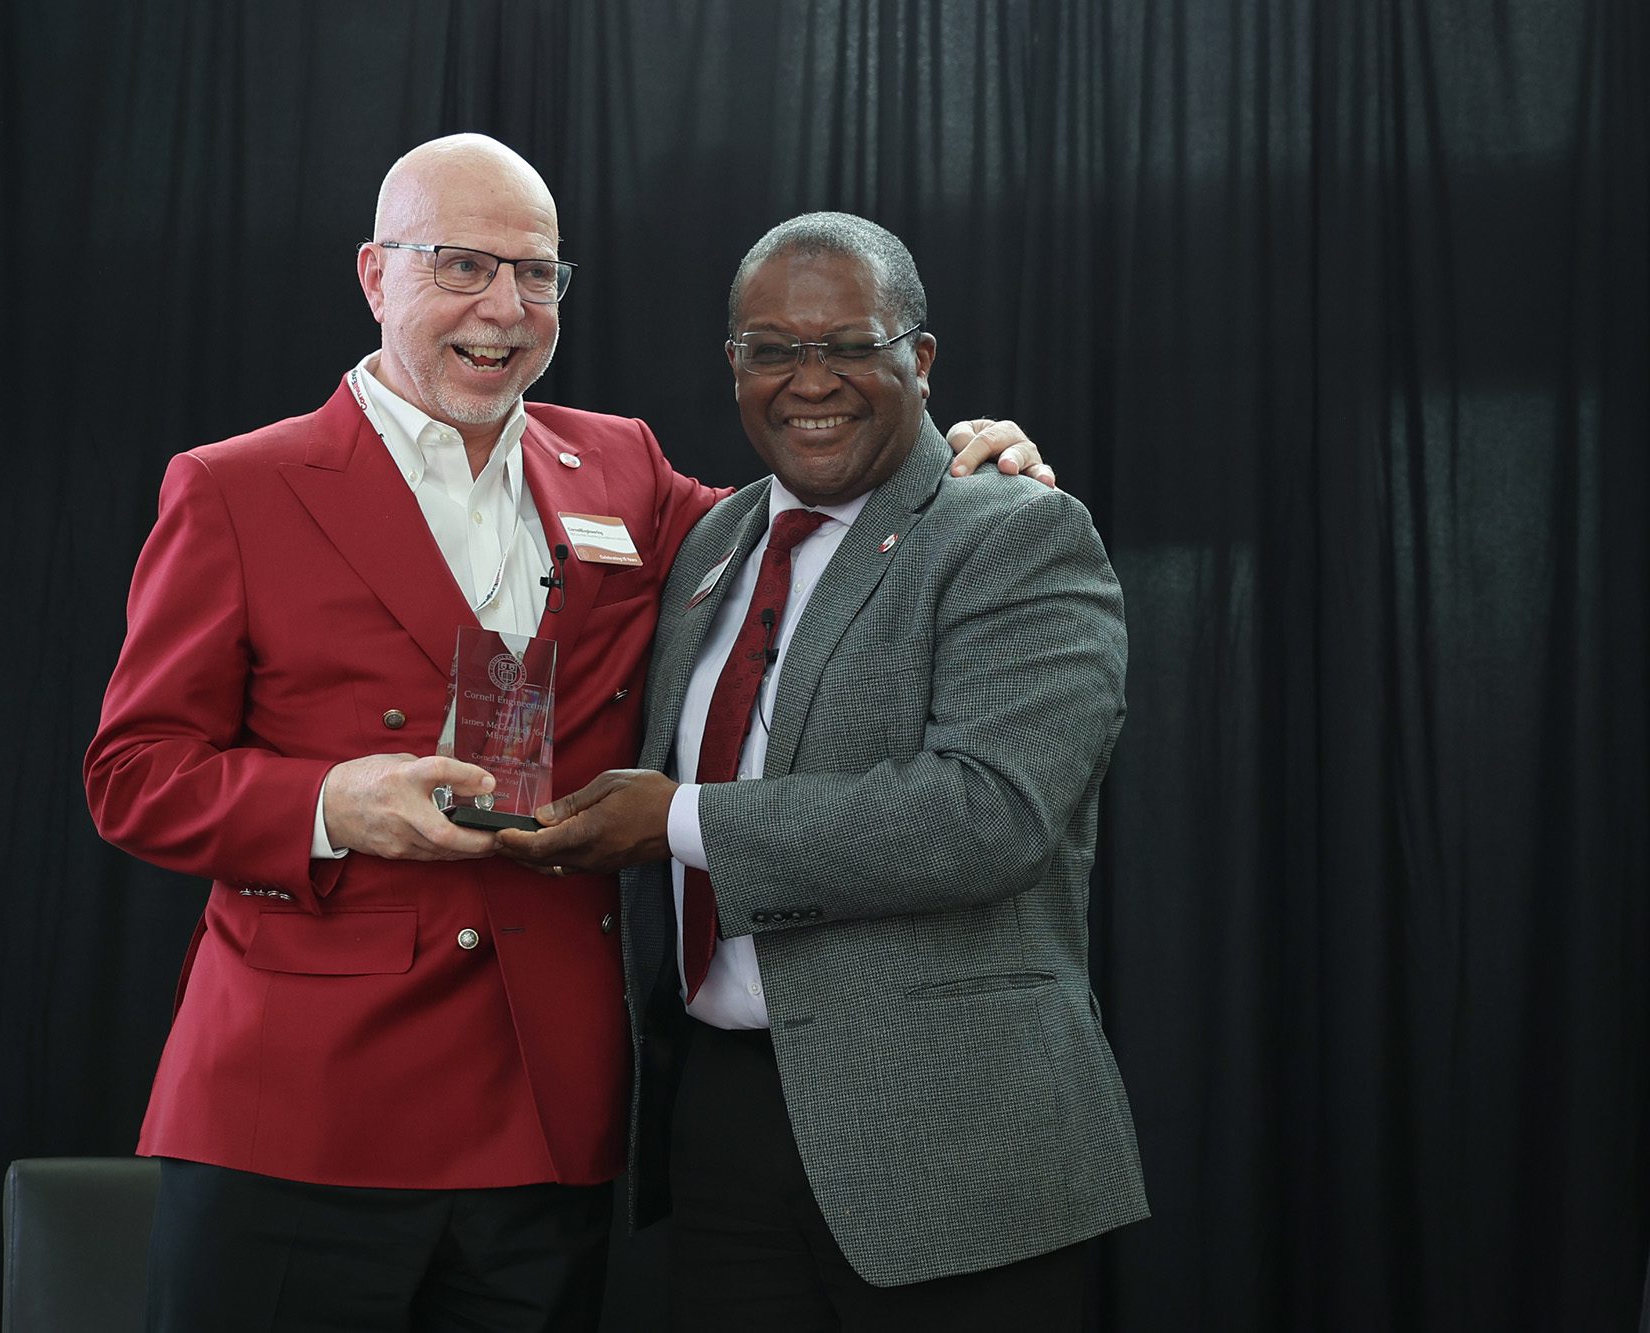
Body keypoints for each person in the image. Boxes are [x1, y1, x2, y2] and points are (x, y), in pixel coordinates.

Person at [83, 135, 1052, 1330]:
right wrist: (332, 802)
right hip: (303, 1105)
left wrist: (957, 460)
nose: (505, 308)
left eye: (536, 275)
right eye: (463, 269)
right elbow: (134, 775)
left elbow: (824, 525)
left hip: (544, 1110)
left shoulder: (626, 469)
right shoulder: (234, 487)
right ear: (374, 276)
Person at [500, 212, 1147, 1329]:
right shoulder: (713, 544)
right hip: (722, 1124)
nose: (812, 381)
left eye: (848, 344)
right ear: (734, 366)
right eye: (773, 349)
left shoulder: (1011, 529)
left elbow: (988, 813)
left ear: (920, 358)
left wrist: (681, 823)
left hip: (954, 1133)